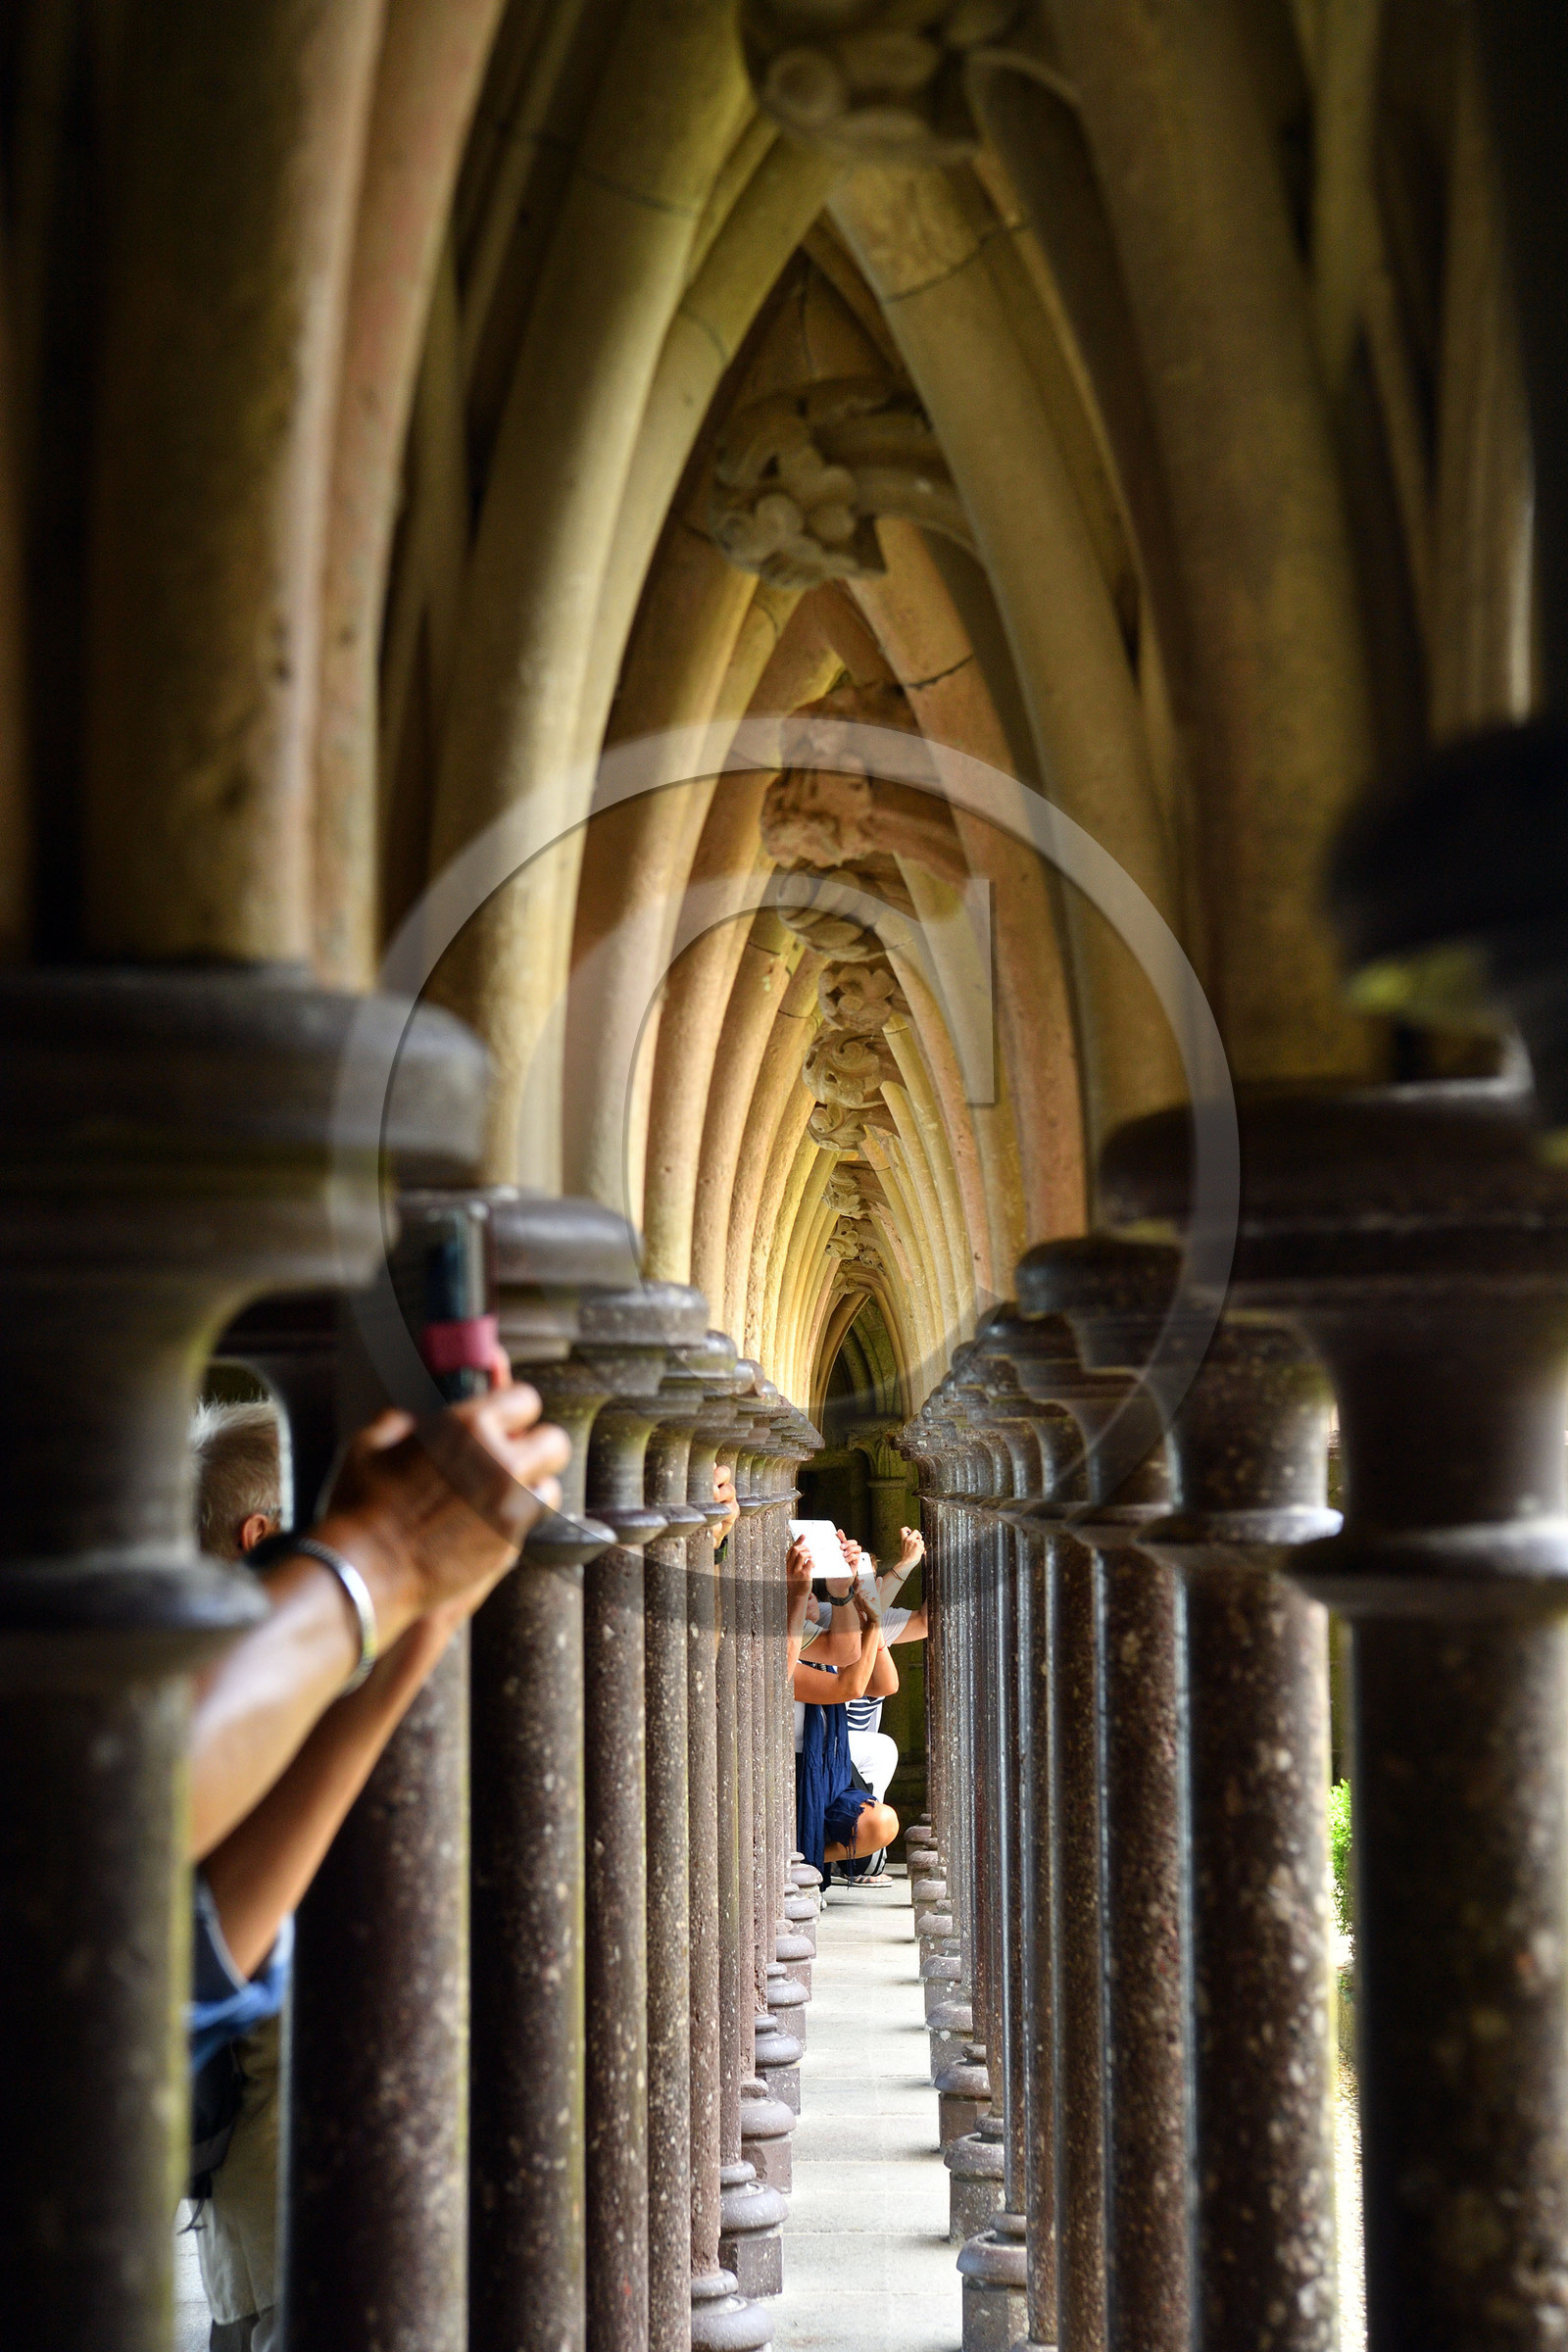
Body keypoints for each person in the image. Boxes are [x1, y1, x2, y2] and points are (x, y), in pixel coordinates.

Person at [185, 1368, 568, 2351]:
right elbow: (151, 1862)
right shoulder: (230, 1729)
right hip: (309, 2223)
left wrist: (421, 1596)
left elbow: (204, 1930)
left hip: (278, 2231)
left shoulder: (247, 1715)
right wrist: (383, 1557)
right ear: (266, 1543)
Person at [787, 1539, 900, 1878]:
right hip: (790, 1771)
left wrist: (849, 1598)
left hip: (826, 1769)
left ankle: (813, 1859)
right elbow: (849, 1684)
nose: (808, 1596)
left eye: (811, 1592)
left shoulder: (814, 1635)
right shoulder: (778, 1645)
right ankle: (799, 1861)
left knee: (882, 1821)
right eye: (801, 1591)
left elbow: (882, 1683)